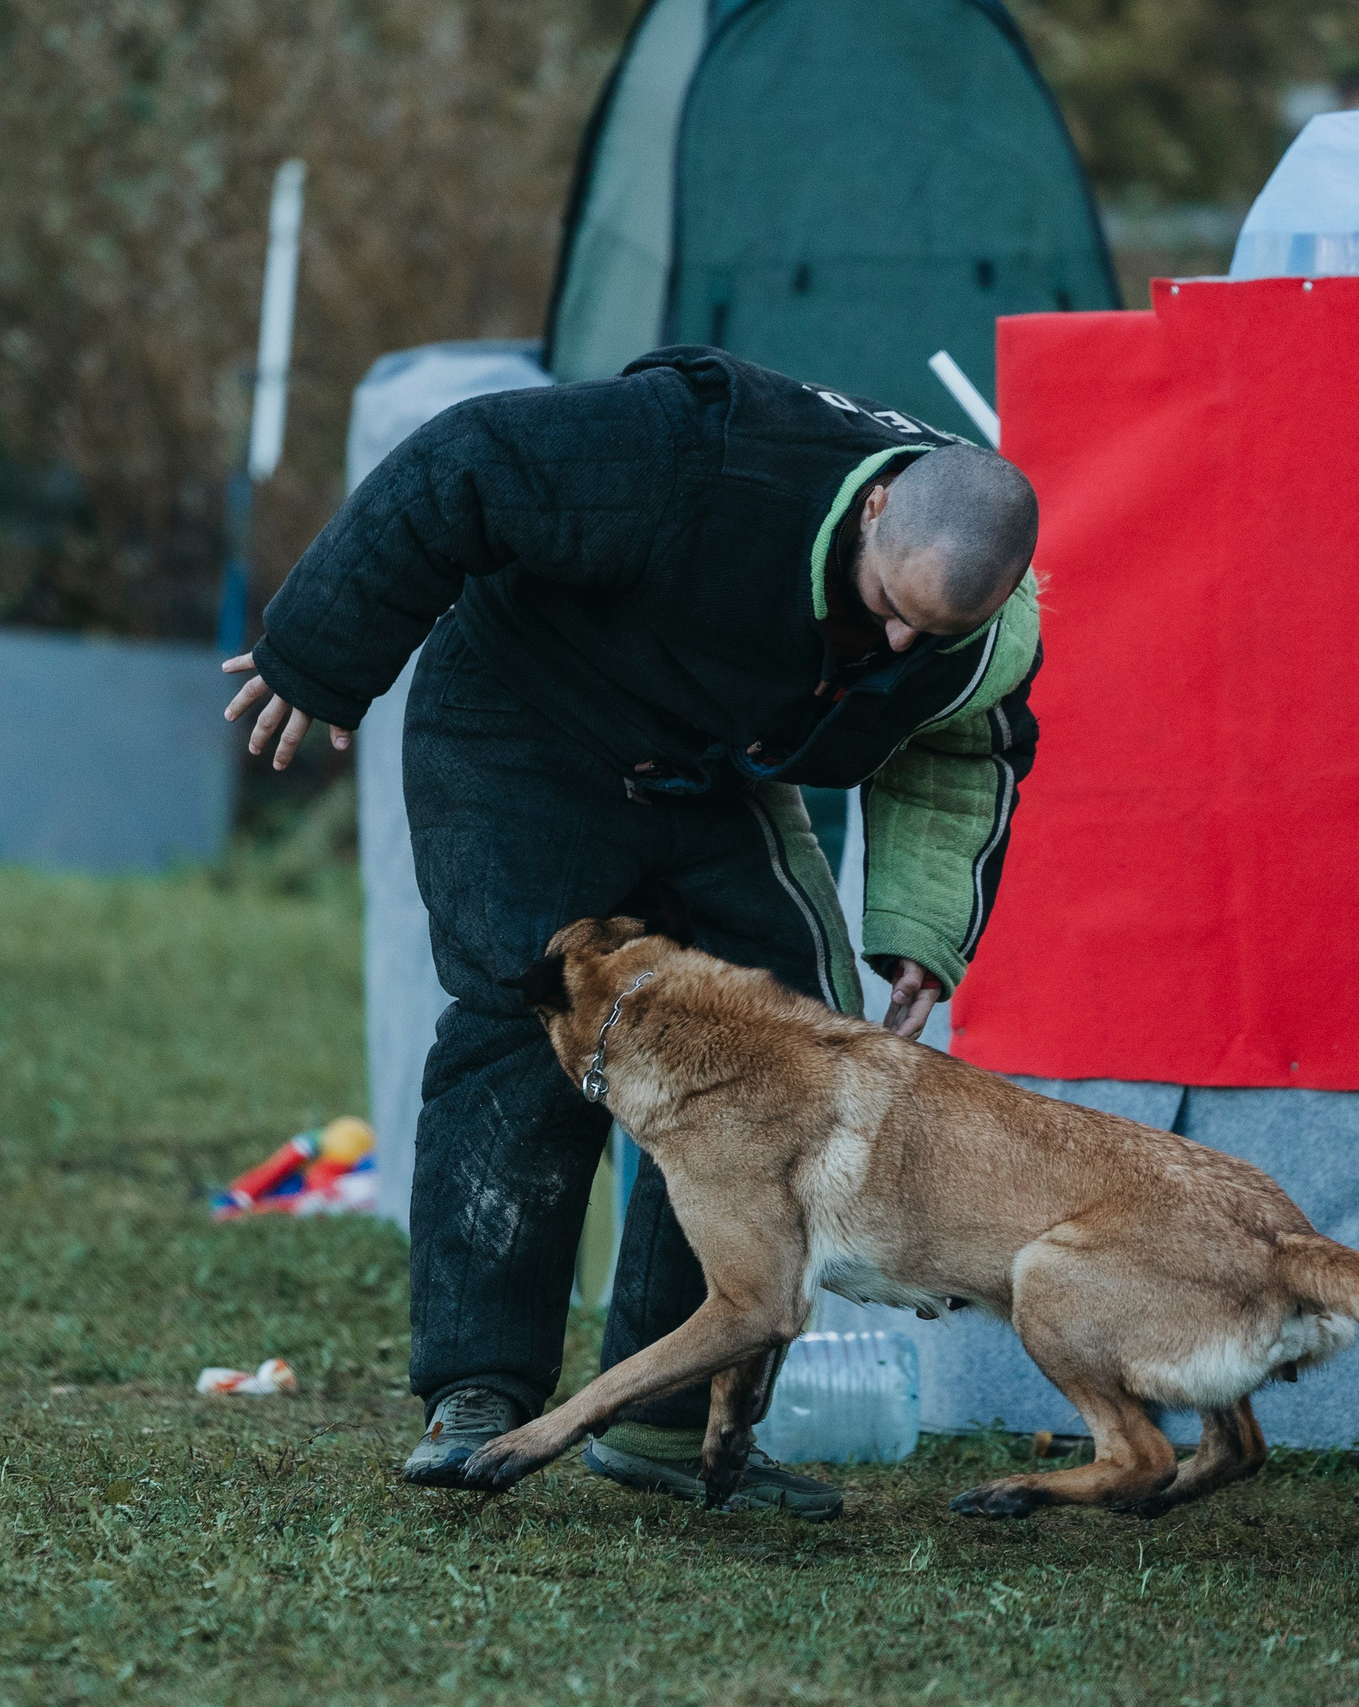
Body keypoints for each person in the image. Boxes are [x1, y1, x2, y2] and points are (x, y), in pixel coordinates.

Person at [222, 345, 1041, 1519]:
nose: (902, 647)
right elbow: (463, 460)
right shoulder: (691, 458)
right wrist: (320, 652)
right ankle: (480, 1396)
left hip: (710, 774)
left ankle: (668, 1425)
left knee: (789, 1058)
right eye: (889, 609)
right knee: (531, 1009)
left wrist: (918, 924)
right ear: (871, 511)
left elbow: (965, 752)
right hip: (523, 721)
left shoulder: (984, 633)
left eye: (937, 631)